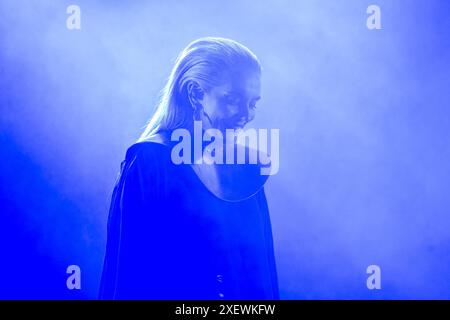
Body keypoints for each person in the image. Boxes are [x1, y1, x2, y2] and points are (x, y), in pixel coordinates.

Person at [99, 37, 279, 299]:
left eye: (253, 103)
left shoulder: (247, 169)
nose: (246, 114)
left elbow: (264, 278)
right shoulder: (151, 161)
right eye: (232, 99)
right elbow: (131, 276)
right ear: (195, 93)